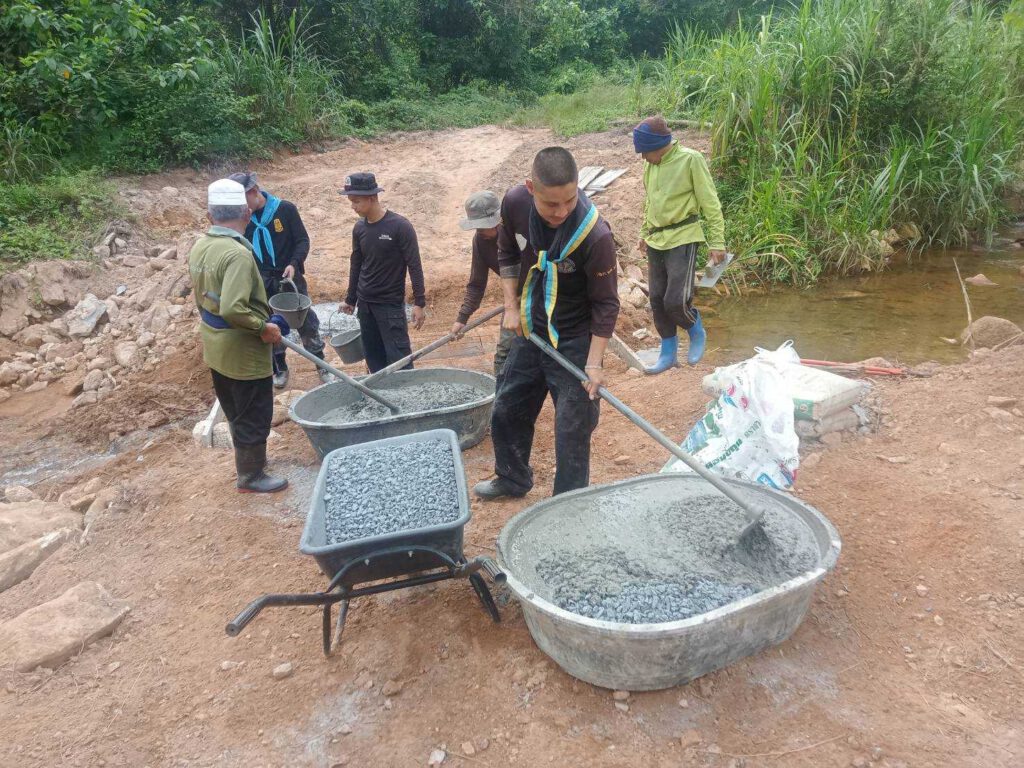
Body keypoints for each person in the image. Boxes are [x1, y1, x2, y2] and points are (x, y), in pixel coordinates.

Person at [473, 147, 619, 501]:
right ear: (530, 188)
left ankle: (566, 504)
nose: (562, 211)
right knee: (507, 407)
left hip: (575, 338)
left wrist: (594, 363)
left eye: (569, 200)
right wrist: (511, 306)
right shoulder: (514, 203)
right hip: (532, 326)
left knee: (572, 426)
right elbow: (508, 251)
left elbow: (606, 304)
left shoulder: (595, 235)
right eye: (551, 204)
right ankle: (512, 478)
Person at [188, 179, 287, 493]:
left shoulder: (201, 246)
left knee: (235, 408)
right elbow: (233, 308)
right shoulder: (237, 255)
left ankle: (251, 465)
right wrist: (263, 327)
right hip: (242, 351)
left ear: (210, 215)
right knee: (254, 411)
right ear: (246, 213)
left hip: (216, 346)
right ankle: (250, 476)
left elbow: (203, 297)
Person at [633, 116, 727, 372]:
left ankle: (695, 328)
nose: (643, 158)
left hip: (683, 236)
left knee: (675, 300)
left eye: (645, 152)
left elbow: (710, 203)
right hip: (656, 239)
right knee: (656, 299)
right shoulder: (650, 166)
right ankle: (668, 354)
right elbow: (650, 202)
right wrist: (644, 232)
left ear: (658, 146)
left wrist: (717, 241)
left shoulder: (690, 160)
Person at [227, 171, 327, 389]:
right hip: (261, 281)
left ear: (254, 191)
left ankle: (320, 363)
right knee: (269, 322)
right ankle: (279, 366)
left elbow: (302, 240)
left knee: (305, 320)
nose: (240, 207)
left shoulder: (285, 210)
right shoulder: (243, 219)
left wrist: (294, 263)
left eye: (242, 200)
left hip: (289, 277)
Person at [340, 173, 426, 373]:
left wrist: (419, 303)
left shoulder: (400, 226)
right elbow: (356, 264)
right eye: (351, 201)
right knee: (374, 360)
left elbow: (414, 265)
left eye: (356, 201)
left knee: (400, 361)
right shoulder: (359, 228)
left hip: (390, 307)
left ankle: (406, 392)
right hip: (365, 306)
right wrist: (351, 299)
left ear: (372, 197)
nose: (353, 206)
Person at [450, 190, 516, 380]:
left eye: (481, 227)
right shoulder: (480, 241)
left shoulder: (518, 232)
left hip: (542, 295)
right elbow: (477, 284)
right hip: (513, 300)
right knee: (505, 352)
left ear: (497, 220)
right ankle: (501, 392)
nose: (478, 231)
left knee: (542, 349)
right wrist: (462, 319)